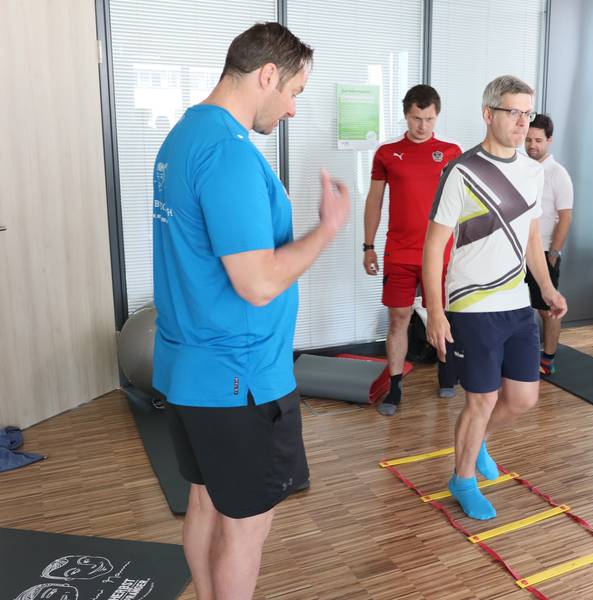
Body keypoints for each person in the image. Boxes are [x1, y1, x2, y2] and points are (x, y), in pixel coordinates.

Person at [152, 23, 350, 600]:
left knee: (204, 501)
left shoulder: (183, 136)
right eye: (293, 93)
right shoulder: (229, 153)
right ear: (267, 75)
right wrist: (327, 230)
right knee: (246, 526)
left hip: (188, 369)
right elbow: (258, 283)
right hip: (240, 379)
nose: (292, 109)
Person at [423, 75, 567, 520]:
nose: (523, 122)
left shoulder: (534, 172)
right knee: (481, 399)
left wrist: (546, 288)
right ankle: (462, 479)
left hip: (517, 303)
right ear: (489, 114)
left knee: (523, 398)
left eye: (527, 113)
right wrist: (435, 313)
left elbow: (532, 237)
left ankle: (478, 440)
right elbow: (434, 246)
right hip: (472, 306)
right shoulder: (461, 171)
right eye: (513, 112)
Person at [362, 85, 462, 416]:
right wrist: (368, 246)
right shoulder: (387, 153)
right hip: (399, 252)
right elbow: (374, 200)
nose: (423, 126)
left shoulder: (451, 152)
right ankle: (394, 387)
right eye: (417, 118)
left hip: (440, 253)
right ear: (406, 115)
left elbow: (463, 203)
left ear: (437, 116)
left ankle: (446, 372)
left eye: (429, 119)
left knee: (440, 314)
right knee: (398, 319)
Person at [524, 113, 574, 375]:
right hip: (520, 251)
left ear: (549, 140)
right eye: (528, 139)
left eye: (538, 140)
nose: (532, 145)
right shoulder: (522, 167)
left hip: (544, 251)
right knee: (521, 308)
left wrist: (553, 253)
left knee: (547, 309)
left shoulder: (557, 173)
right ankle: (522, 355)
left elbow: (565, 217)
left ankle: (548, 359)